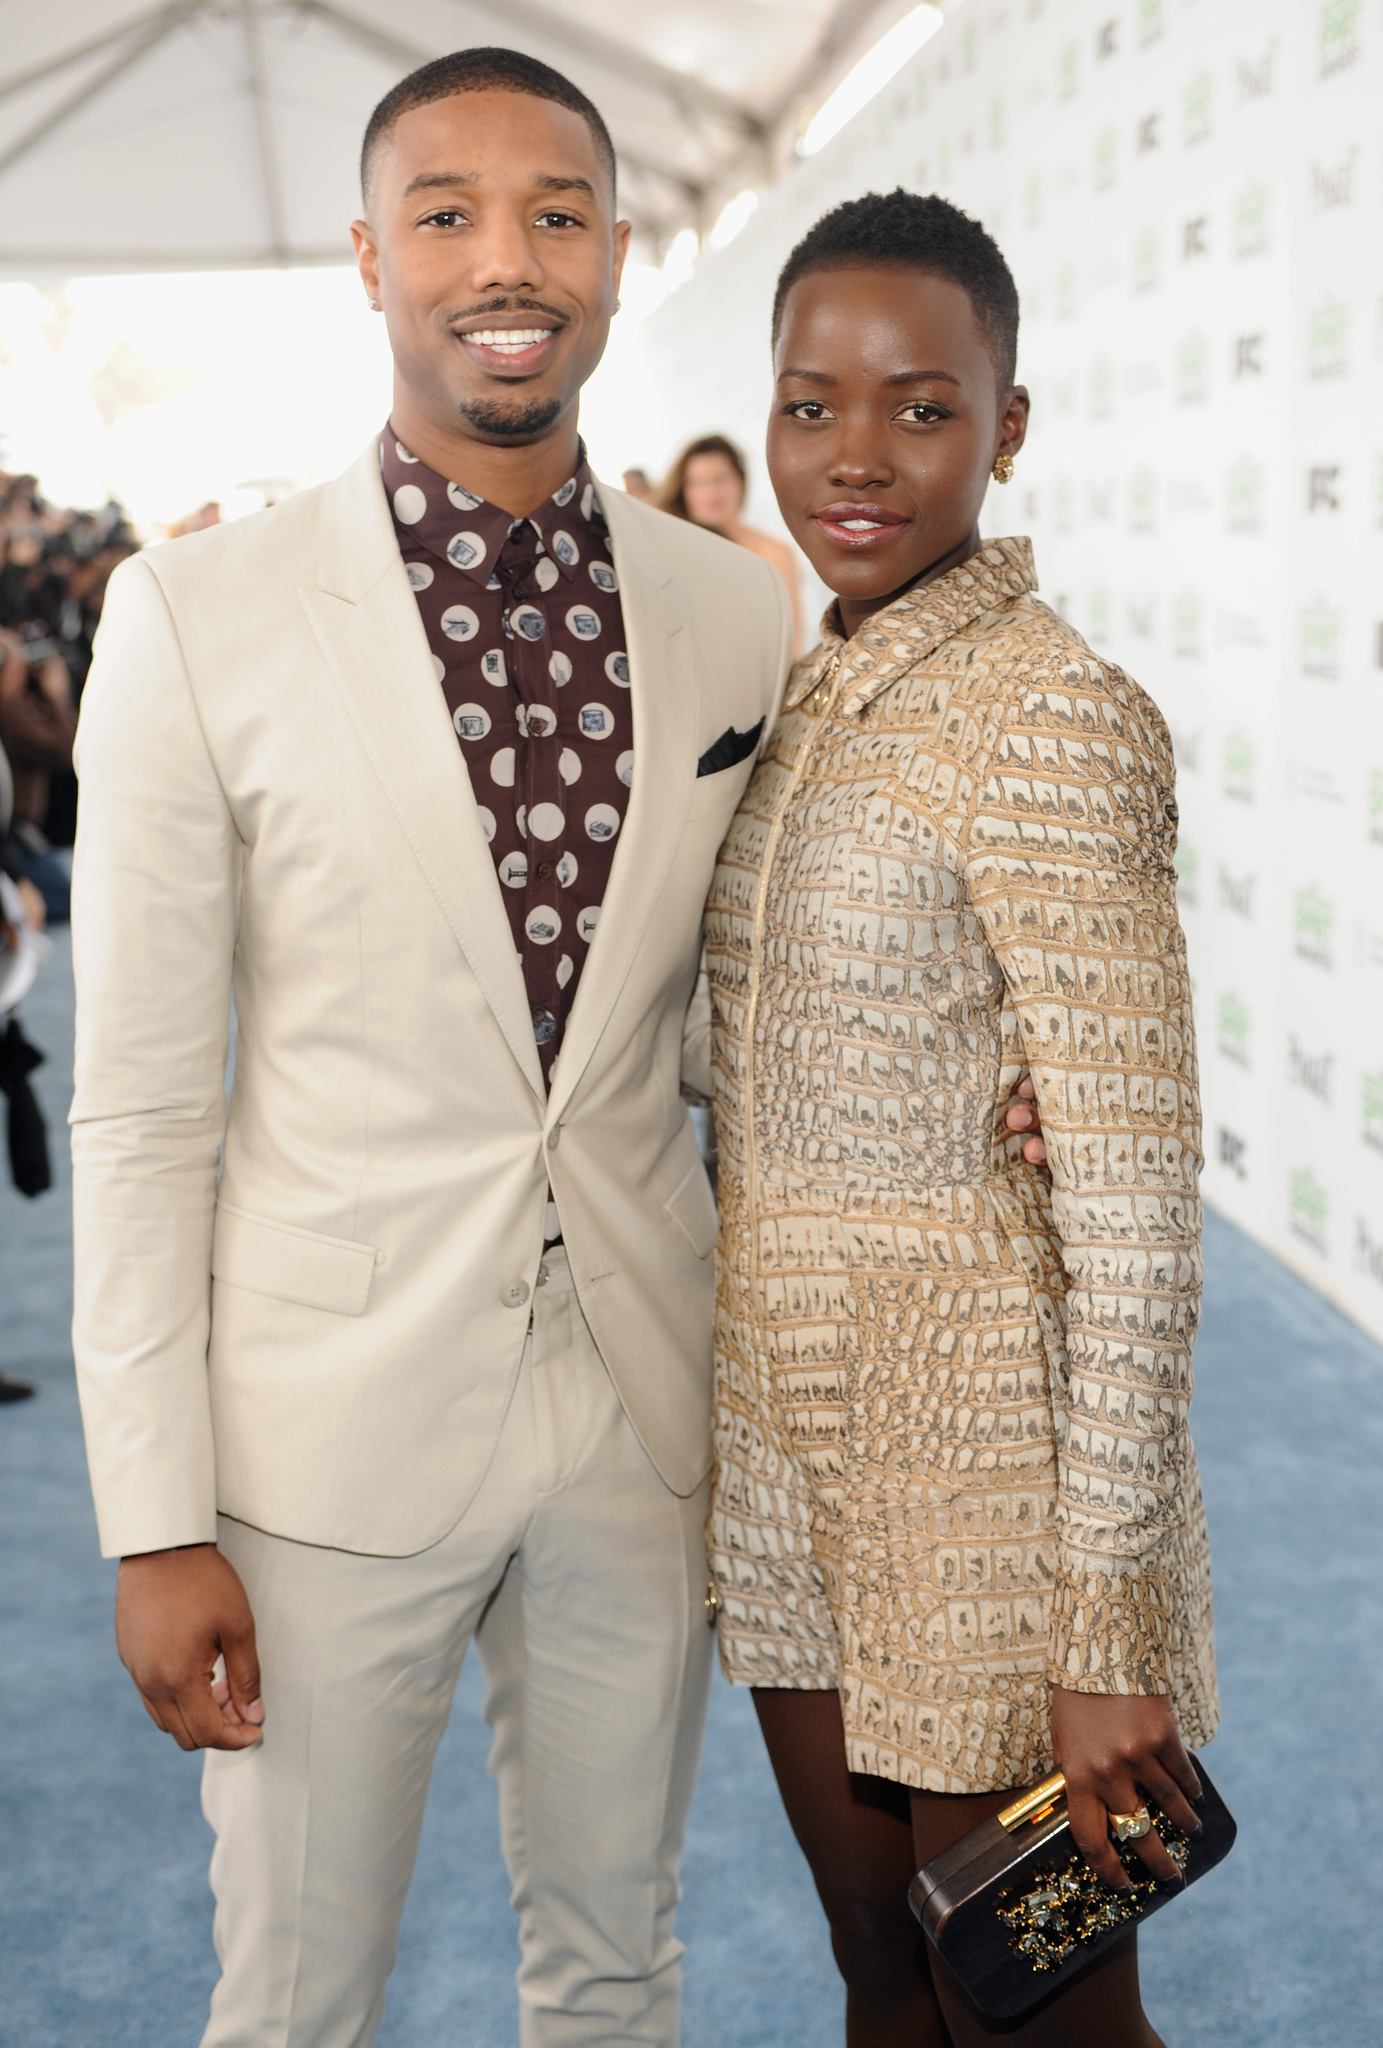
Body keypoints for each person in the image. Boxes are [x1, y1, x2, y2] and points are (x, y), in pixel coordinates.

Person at [69, 50, 1045, 2048]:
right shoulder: (198, 616)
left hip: (634, 1410)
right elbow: (148, 1101)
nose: (502, 259)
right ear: (368, 259)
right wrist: (154, 1513)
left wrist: (985, 1087)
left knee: (615, 1971)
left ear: (611, 260)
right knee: (296, 1996)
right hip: (320, 1436)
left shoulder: (731, 608)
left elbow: (736, 987)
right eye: (445, 213)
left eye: (556, 213)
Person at [704, 190, 1216, 2048]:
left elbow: (1142, 1220)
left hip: (993, 1486)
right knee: (881, 1976)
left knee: (1041, 2009)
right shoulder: (810, 686)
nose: (853, 457)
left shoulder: (1051, 714)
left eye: (920, 407)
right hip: (785, 1462)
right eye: (808, 403)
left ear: (1004, 426)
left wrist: (1105, 1637)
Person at [659, 433, 805, 650]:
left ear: (740, 481)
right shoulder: (671, 552)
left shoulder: (775, 553)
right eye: (697, 483)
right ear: (683, 491)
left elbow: (792, 644)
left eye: (718, 480)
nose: (709, 492)